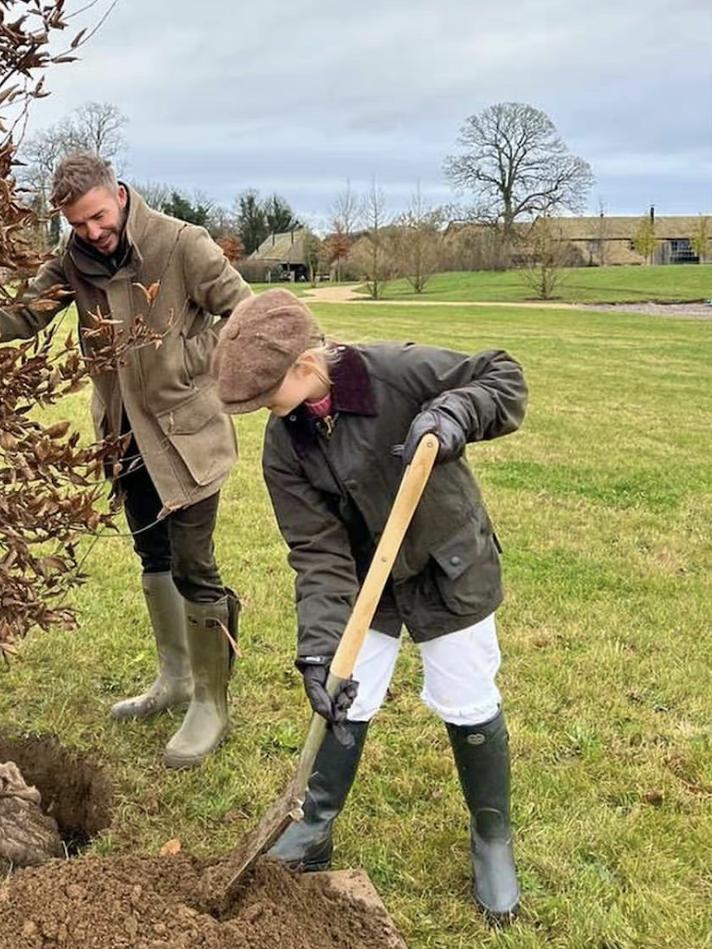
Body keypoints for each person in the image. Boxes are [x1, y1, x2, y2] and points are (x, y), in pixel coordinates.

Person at [0, 152, 251, 769]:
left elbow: (245, 314)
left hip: (187, 436)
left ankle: (211, 702)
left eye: (99, 219)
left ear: (119, 194)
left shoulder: (183, 245)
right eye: (79, 226)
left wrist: (184, 354)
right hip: (124, 436)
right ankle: (175, 680)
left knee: (193, 565)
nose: (93, 233)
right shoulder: (72, 261)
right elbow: (25, 314)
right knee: (152, 555)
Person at [212, 288, 527, 921]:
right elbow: (316, 549)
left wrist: (455, 414)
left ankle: (492, 837)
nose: (264, 413)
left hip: (447, 562)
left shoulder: (394, 371)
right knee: (346, 686)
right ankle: (315, 822)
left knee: (466, 694)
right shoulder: (286, 444)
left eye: (266, 395)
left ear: (305, 365)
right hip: (367, 582)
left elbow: (503, 376)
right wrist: (320, 646)